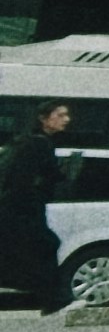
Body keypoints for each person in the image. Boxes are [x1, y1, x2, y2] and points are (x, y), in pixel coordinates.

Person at [0, 107, 59, 319]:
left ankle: (52, 300)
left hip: (16, 208)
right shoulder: (38, 144)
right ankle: (54, 300)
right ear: (43, 119)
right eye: (60, 115)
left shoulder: (26, 142)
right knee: (46, 246)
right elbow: (22, 182)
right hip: (22, 209)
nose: (66, 120)